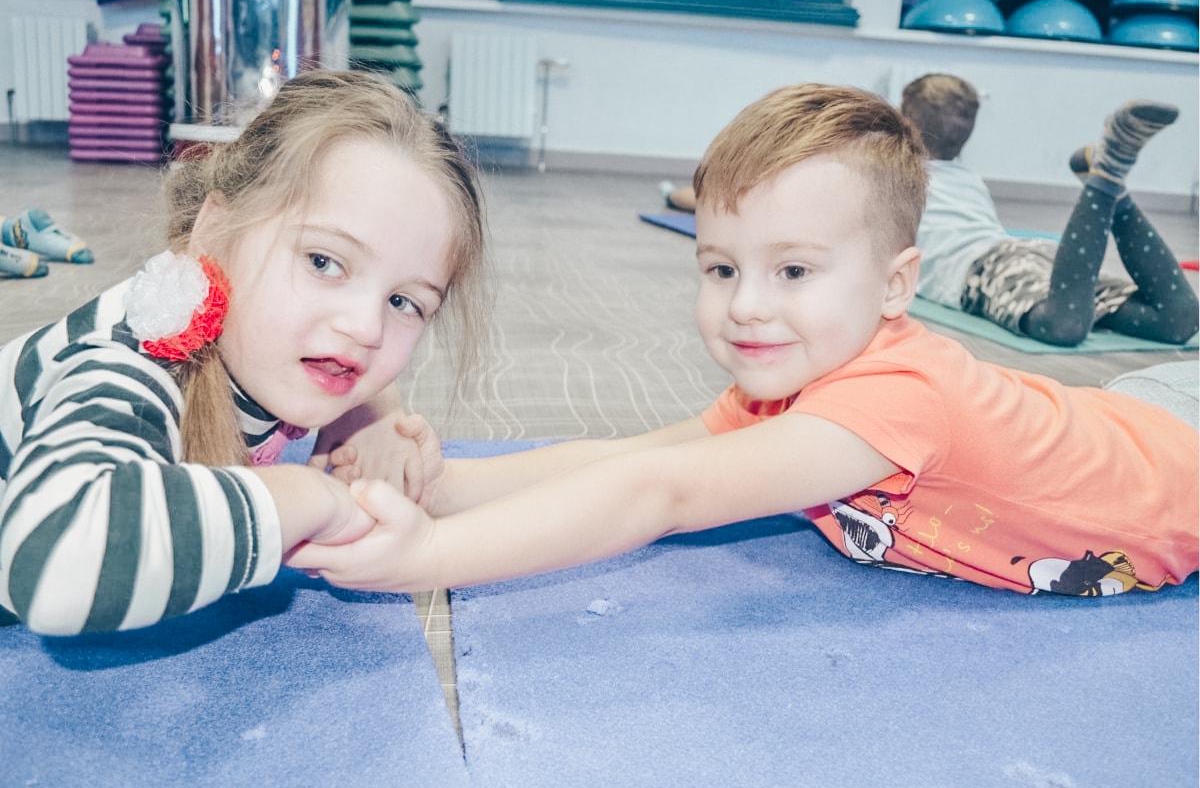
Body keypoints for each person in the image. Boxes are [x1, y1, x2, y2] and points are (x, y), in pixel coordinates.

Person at [289, 83, 1198, 601]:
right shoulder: (793, 382)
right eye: (721, 268)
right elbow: (634, 454)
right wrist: (449, 486)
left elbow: (663, 493)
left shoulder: (890, 400)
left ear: (896, 286)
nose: (747, 307)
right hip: (1116, 416)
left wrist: (428, 559)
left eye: (794, 271)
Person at [0, 69, 489, 636]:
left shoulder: (263, 344)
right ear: (213, 230)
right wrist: (306, 498)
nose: (365, 328)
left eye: (403, 302)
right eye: (323, 262)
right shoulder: (131, 358)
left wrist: (376, 407)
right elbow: (51, 571)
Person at [902, 73, 1198, 347]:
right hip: (1036, 253)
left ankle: (1108, 169)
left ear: (905, 122)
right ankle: (1109, 187)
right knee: (1177, 321)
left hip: (986, 268)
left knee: (1062, 325)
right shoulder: (968, 178)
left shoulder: (900, 179)